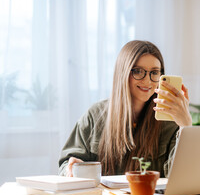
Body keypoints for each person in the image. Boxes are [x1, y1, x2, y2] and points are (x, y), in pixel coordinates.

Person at [59, 40, 192, 177]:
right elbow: (66, 164)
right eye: (138, 71)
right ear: (123, 72)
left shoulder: (170, 121)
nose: (147, 81)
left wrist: (185, 126)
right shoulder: (95, 115)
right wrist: (70, 169)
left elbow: (180, 177)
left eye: (154, 72)